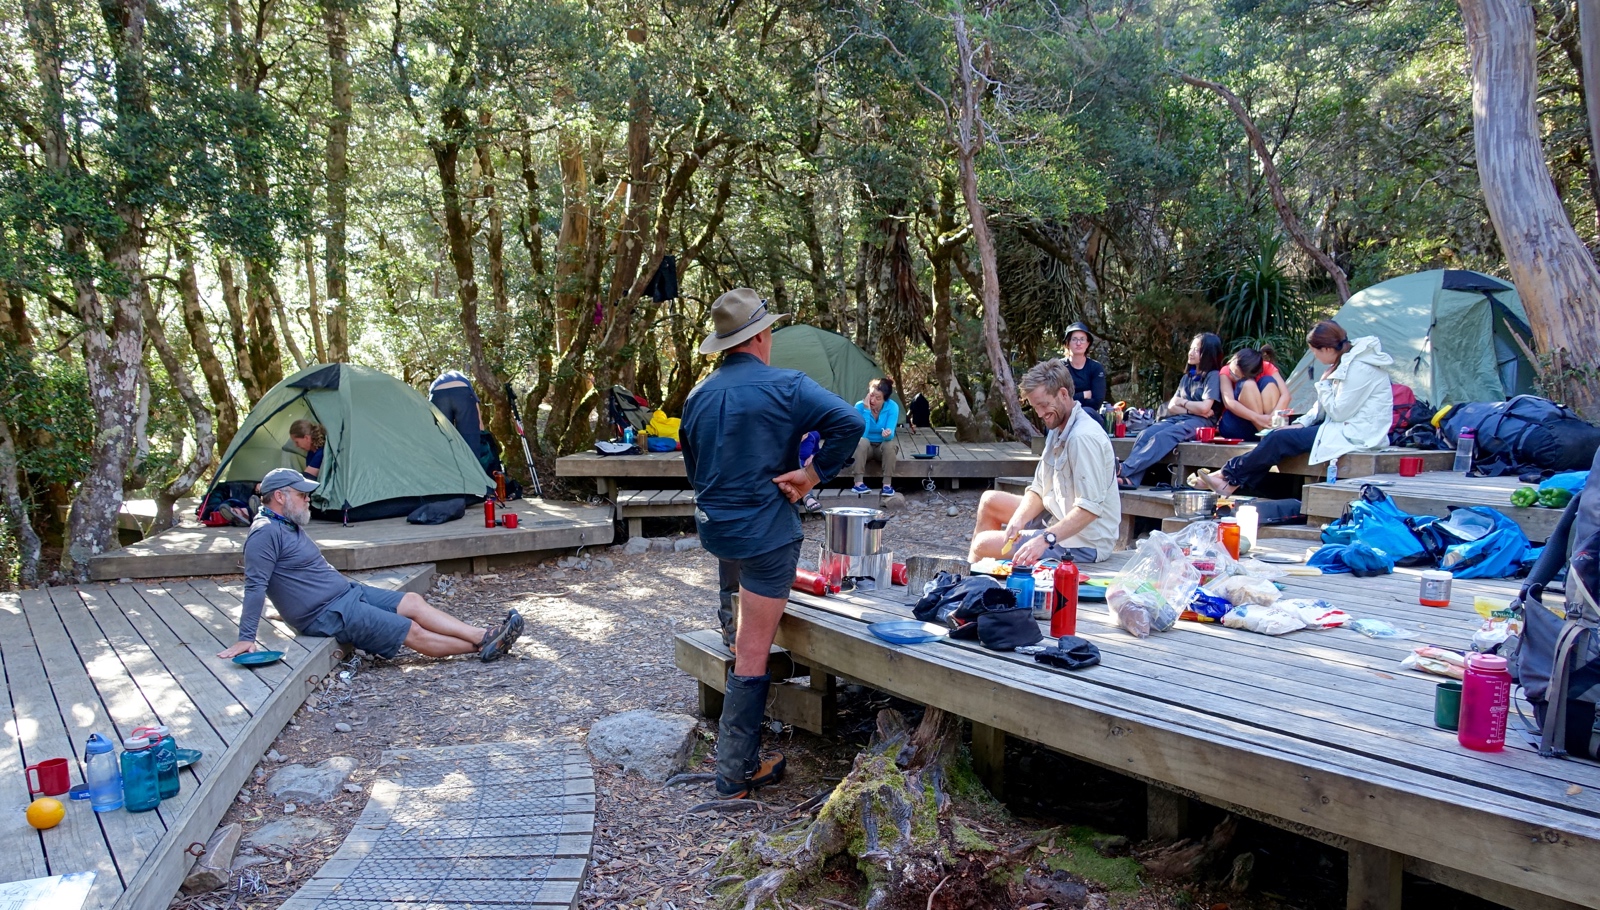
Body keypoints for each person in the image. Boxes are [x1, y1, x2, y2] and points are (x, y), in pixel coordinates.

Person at [681, 288, 863, 801]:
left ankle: (729, 619)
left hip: (717, 529)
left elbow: (695, 471)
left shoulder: (698, 396)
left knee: (739, 616)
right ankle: (734, 773)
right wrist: (811, 474)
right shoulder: (788, 385)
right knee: (753, 650)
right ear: (762, 336)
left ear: (725, 343)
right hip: (765, 534)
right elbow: (849, 423)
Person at [218, 468, 523, 662]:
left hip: (344, 595)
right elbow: (256, 585)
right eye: (302, 494)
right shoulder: (264, 533)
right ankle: (483, 643)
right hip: (326, 614)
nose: (308, 499)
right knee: (410, 630)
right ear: (280, 497)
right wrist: (247, 637)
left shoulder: (285, 523)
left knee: (412, 601)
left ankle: (483, 635)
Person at [1196, 321, 1394, 496]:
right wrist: (1298, 424)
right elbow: (1320, 409)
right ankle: (1229, 483)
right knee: (1280, 434)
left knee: (1278, 439)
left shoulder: (1360, 368)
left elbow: (1340, 412)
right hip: (1340, 426)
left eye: (1315, 352)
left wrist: (1324, 384)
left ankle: (1227, 475)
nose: (1315, 357)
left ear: (1325, 349)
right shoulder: (1344, 362)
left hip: (1358, 433)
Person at [969, 360, 1120, 565]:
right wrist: (1019, 519)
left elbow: (1089, 509)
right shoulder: (1058, 426)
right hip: (1054, 514)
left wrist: (1044, 539)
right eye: (1035, 407)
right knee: (989, 500)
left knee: (982, 543)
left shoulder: (1083, 437)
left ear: (1064, 394)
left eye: (1043, 405)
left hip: (1083, 542)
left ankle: (974, 587)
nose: (1040, 414)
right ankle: (975, 584)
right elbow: (1039, 488)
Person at [1117, 333, 1224, 488]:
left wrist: (1184, 403)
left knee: (1163, 436)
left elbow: (1205, 408)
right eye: (1191, 348)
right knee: (1145, 434)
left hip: (1202, 423)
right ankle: (1132, 481)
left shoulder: (1212, 376)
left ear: (1208, 353)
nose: (1191, 352)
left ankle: (1124, 469)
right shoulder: (1187, 377)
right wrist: (1191, 408)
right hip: (1182, 418)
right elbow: (1172, 406)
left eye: (1197, 349)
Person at [1216, 347, 1284, 441]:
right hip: (1236, 425)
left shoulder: (1266, 367)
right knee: (1248, 384)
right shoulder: (1225, 371)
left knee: (1268, 381)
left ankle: (1269, 432)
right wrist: (1258, 418)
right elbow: (1229, 402)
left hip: (1263, 425)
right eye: (1231, 371)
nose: (1231, 375)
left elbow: (1286, 395)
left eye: (1236, 376)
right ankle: (1267, 436)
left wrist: (1271, 417)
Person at [851, 378, 900, 497]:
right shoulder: (859, 406)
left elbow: (891, 432)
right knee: (861, 441)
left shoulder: (892, 407)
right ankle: (858, 483)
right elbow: (861, 434)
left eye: (878, 398)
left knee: (890, 444)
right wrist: (867, 411)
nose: (872, 400)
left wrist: (888, 435)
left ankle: (887, 485)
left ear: (885, 400)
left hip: (880, 449)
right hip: (864, 449)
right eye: (871, 395)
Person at [429, 370, 489, 464]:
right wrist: (479, 432)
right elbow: (478, 419)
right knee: (470, 440)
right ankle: (473, 473)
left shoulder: (437, 381)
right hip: (462, 390)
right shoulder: (463, 379)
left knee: (441, 437)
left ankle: (444, 472)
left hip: (437, 392)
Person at [1063, 322, 1107, 413]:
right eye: (1074, 339)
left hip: (1088, 416)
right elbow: (1058, 400)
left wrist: (1072, 398)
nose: (1078, 343)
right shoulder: (1059, 367)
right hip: (1064, 415)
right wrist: (1084, 395)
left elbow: (1097, 402)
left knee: (1088, 412)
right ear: (1067, 343)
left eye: (1082, 339)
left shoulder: (1096, 368)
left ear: (1088, 343)